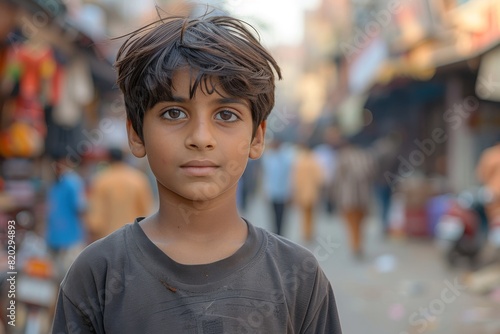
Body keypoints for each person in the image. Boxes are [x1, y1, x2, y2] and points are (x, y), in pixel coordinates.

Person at [52, 14, 342, 333]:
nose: (201, 137)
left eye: (226, 115)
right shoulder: (97, 275)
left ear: (257, 137)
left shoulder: (299, 277)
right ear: (136, 134)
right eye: (174, 113)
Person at [85, 147, 155, 242]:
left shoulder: (101, 180)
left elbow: (96, 218)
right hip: (133, 236)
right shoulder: (138, 179)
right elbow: (146, 210)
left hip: (108, 238)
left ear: (108, 159)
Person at [333, 137, 375, 259]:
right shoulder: (367, 157)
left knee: (351, 224)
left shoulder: (343, 157)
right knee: (360, 224)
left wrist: (336, 195)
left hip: (348, 198)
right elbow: (372, 175)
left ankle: (355, 246)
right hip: (364, 197)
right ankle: (358, 245)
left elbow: (338, 178)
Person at [46, 154, 87, 278]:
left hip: (69, 238)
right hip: (59, 237)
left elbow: (80, 208)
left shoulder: (71, 182)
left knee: (67, 276)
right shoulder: (59, 183)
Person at [261, 138, 295, 235]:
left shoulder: (286, 158)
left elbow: (290, 176)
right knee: (272, 216)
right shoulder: (268, 157)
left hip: (283, 192)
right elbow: (266, 176)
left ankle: (280, 235)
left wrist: (290, 192)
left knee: (281, 216)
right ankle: (274, 234)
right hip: (271, 192)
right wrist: (264, 190)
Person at [292, 142, 324, 242]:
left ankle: (306, 233)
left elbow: (294, 178)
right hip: (312, 191)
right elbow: (320, 178)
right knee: (311, 214)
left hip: (301, 191)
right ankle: (309, 232)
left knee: (304, 214)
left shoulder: (299, 160)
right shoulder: (314, 160)